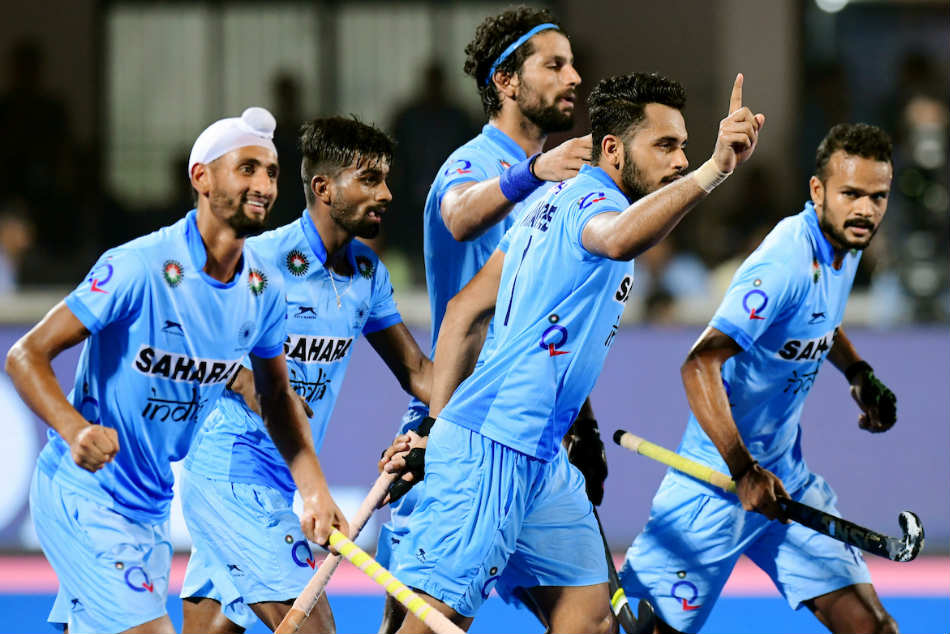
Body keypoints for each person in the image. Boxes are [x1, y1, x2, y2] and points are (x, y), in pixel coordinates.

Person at [383, 71, 764, 633]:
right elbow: (617, 237)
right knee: (431, 623)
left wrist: (436, 426)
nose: (681, 160)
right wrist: (714, 171)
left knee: (590, 621)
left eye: (684, 147)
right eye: (665, 145)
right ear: (613, 149)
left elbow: (464, 312)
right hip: (490, 447)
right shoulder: (594, 202)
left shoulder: (545, 204)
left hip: (542, 457)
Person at [4, 107, 348, 634]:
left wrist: (315, 491)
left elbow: (276, 397)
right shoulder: (138, 266)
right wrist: (75, 430)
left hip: (150, 506)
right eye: (247, 168)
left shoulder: (264, 288)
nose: (263, 185)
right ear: (201, 177)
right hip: (84, 493)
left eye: (272, 172)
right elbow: (25, 355)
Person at [620, 123, 898, 634]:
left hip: (785, 481)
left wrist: (858, 372)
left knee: (872, 627)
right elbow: (699, 363)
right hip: (713, 484)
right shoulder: (784, 262)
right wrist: (744, 470)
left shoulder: (847, 244)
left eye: (877, 197)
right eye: (851, 194)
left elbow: (818, 318)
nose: (865, 210)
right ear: (818, 191)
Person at [376, 6, 602, 632]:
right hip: (467, 429)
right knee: (423, 621)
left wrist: (581, 424)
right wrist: (531, 173)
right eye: (554, 65)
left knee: (589, 619)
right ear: (506, 80)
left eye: (572, 64)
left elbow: (552, 322)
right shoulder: (473, 163)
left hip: (533, 436)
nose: (574, 77)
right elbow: (458, 215)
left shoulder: (566, 184)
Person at [178, 116, 432, 633]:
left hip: (277, 478)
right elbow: (197, 343)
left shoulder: (367, 273)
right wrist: (265, 393)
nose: (385, 194)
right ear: (323, 188)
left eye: (386, 180)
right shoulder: (261, 260)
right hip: (231, 471)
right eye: (369, 179)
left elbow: (419, 374)